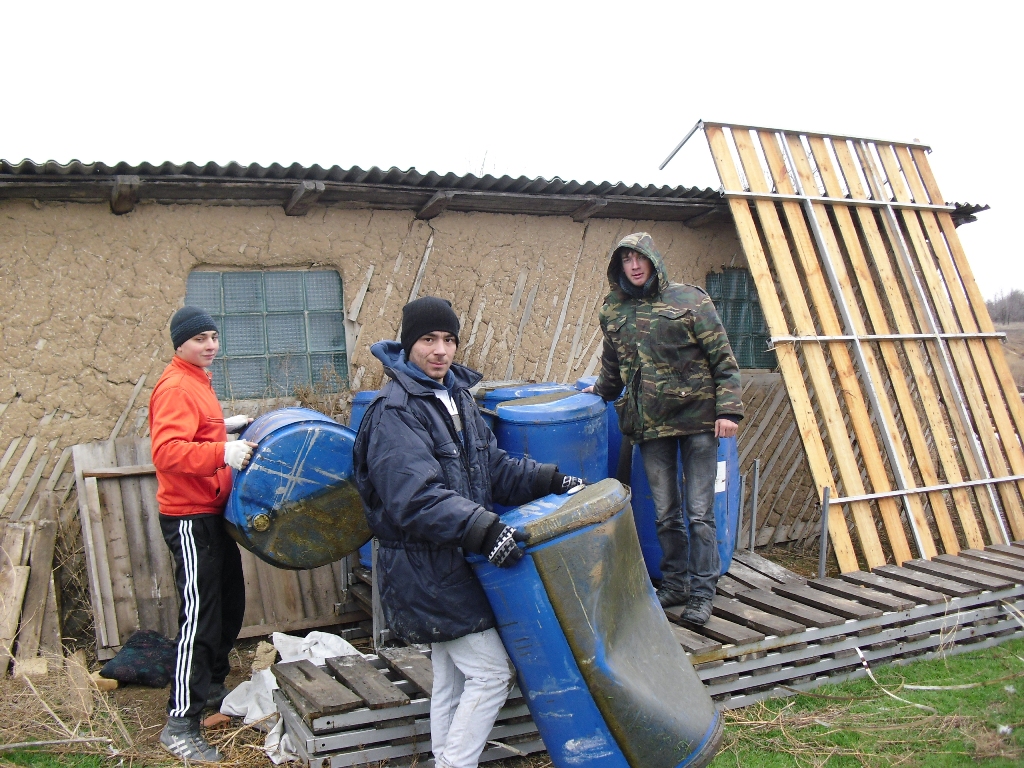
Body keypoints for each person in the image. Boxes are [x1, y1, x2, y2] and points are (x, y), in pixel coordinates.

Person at [352, 296, 583, 768]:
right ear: (408, 344)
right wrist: (482, 528)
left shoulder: (454, 397)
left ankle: (445, 758)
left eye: (449, 340)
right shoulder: (395, 411)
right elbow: (415, 497)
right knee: (493, 674)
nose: (440, 350)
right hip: (423, 566)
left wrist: (550, 480)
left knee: (452, 678)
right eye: (428, 340)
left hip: (450, 560)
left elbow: (489, 466)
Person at [585, 233, 743, 625]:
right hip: (650, 425)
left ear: (654, 259)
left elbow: (723, 360)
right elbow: (613, 363)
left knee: (700, 512)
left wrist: (729, 412)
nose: (634, 266)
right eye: (625, 260)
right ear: (618, 267)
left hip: (699, 422)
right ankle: (675, 585)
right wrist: (598, 391)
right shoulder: (614, 310)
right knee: (665, 512)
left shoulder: (690, 300)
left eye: (639, 258)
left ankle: (703, 592)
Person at [150, 306, 255, 763]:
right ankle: (180, 723)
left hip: (211, 512)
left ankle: (211, 685)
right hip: (189, 517)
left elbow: (194, 431)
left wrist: (223, 427)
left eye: (213, 336)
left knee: (229, 602)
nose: (210, 345)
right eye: (199, 339)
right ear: (180, 343)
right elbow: (168, 451)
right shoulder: (175, 385)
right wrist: (223, 450)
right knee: (200, 616)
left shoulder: (197, 381)